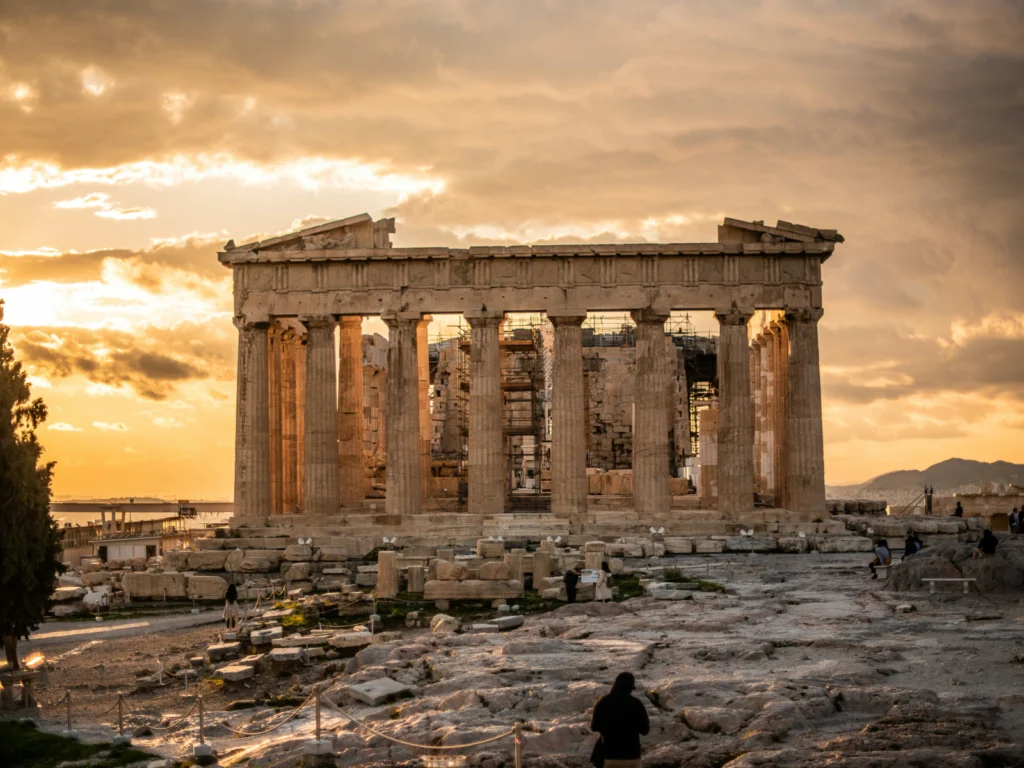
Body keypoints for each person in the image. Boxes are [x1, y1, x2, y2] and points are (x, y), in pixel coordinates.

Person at [590, 672, 650, 768]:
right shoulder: (636, 703)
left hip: (609, 756)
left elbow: (594, 727)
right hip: (632, 757)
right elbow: (645, 730)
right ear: (630, 688)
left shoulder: (603, 702)